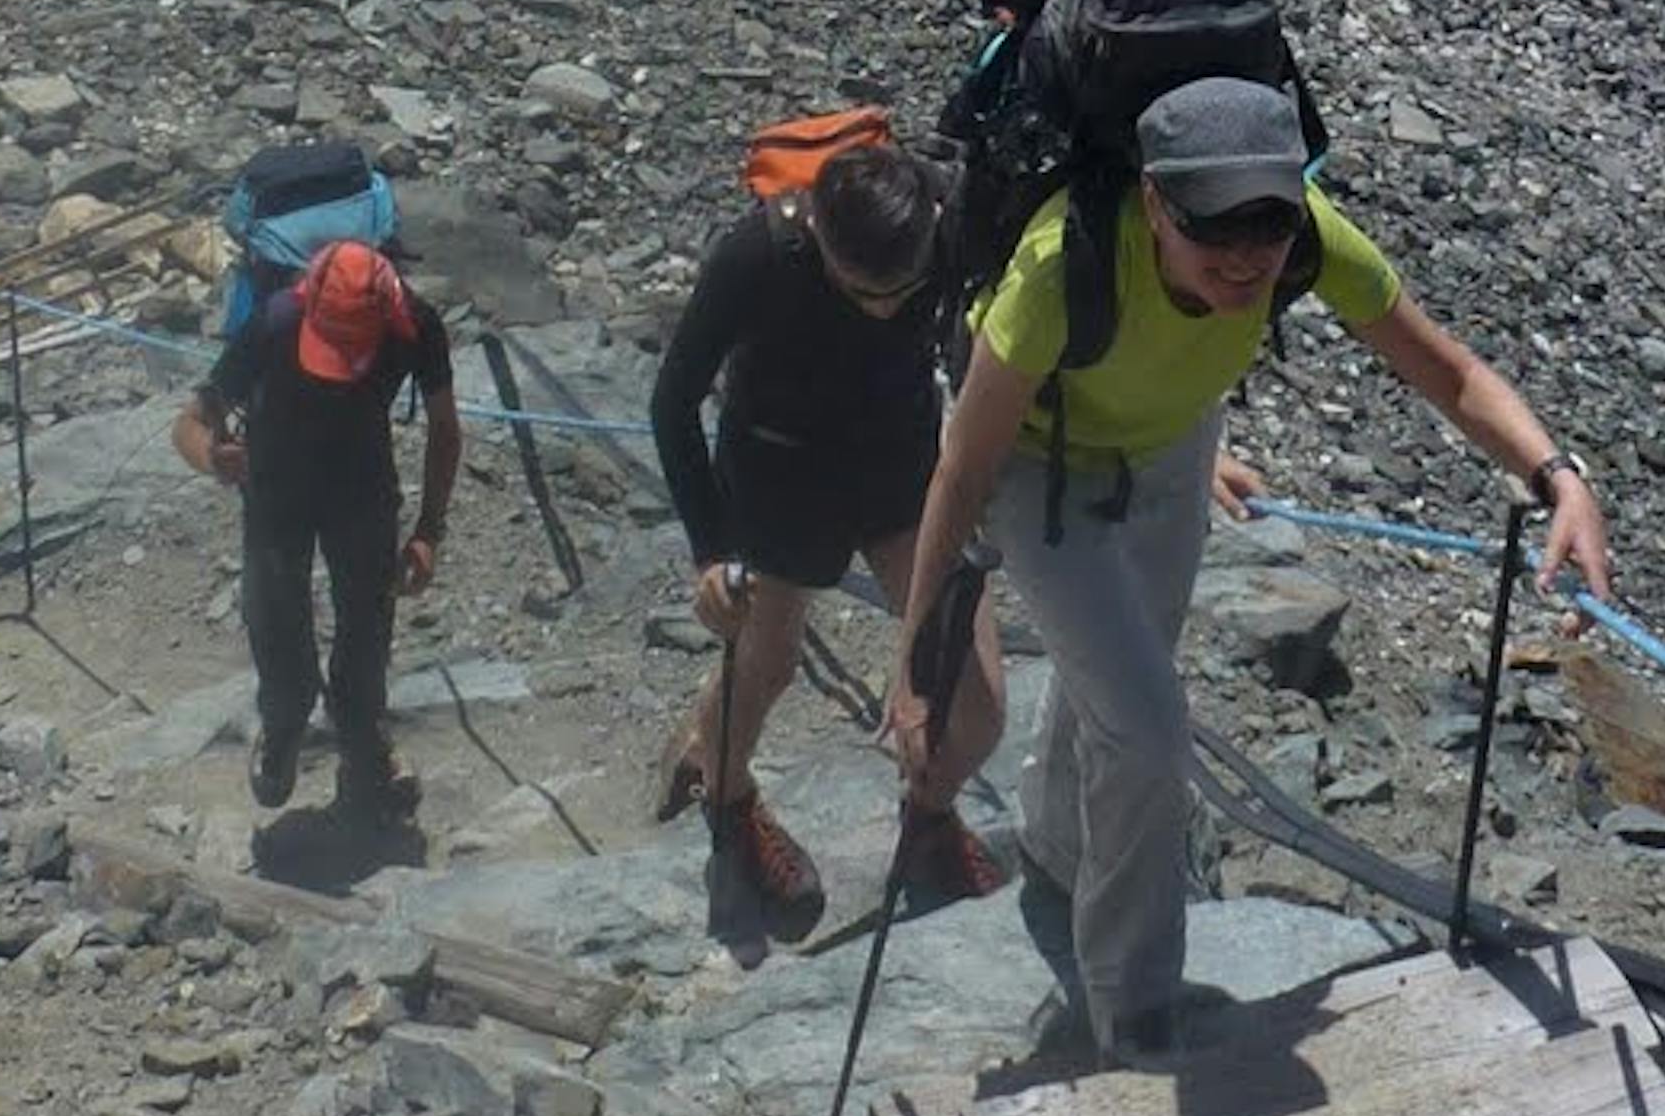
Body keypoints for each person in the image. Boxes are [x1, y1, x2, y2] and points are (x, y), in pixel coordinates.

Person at [889, 76, 1613, 1065]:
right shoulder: (1060, 266)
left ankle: (1059, 847)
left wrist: (1556, 474)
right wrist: (916, 661)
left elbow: (1447, 369)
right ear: (1152, 202)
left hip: (1173, 448)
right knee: (1148, 727)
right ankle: (1134, 1009)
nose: (1245, 256)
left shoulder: (1306, 233)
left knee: (1123, 684)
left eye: (1266, 227)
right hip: (1038, 467)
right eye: (1213, 229)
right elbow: (964, 463)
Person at [648, 140, 1009, 945]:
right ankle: (729, 797)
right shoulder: (756, 256)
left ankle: (929, 815)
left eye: (901, 292)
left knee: (975, 696)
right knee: (766, 664)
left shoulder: (949, 230)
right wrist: (711, 553)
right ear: (817, 237)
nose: (883, 308)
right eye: (859, 290)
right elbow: (673, 402)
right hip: (779, 477)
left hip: (901, 472)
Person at [174, 234, 464, 823]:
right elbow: (191, 421)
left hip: (361, 487)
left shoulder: (415, 323)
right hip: (277, 488)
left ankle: (363, 748)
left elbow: (445, 428)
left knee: (366, 627)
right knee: (275, 621)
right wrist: (212, 457)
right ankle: (283, 731)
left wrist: (430, 530)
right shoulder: (277, 321)